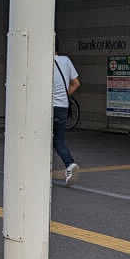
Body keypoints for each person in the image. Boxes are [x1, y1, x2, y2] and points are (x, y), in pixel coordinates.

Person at [53, 38, 80, 185]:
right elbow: (76, 84)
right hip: (63, 107)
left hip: (48, 107)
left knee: (40, 139)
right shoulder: (66, 60)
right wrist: (63, 95)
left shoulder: (43, 62)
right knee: (59, 140)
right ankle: (70, 165)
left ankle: (37, 169)